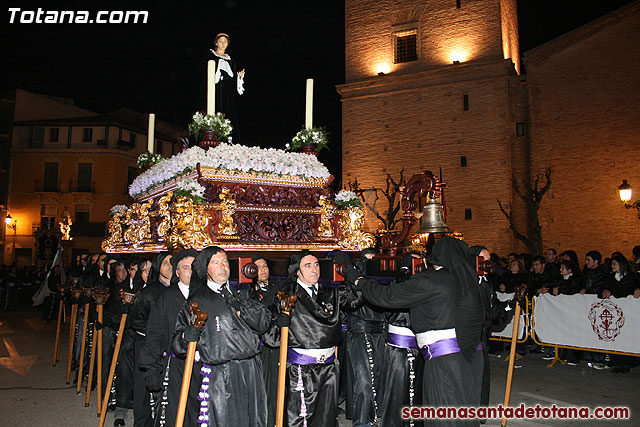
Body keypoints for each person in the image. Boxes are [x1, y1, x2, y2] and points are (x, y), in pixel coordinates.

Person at [351, 237, 485, 427]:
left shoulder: (431, 281)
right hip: (471, 356)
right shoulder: (469, 280)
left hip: (445, 360)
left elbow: (386, 297)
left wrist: (359, 280)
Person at [172, 246, 271, 427]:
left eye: (225, 261)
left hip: (251, 370)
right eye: (215, 263)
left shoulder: (242, 293)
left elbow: (263, 323)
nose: (222, 267)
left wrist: (241, 303)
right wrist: (188, 336)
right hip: (220, 375)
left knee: (254, 420)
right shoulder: (197, 301)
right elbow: (177, 344)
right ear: (206, 269)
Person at [264, 250, 361, 427]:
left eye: (316, 265)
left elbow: (357, 297)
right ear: (297, 272)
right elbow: (270, 335)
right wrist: (280, 322)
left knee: (327, 416)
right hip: (302, 369)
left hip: (329, 366)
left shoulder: (329, 293)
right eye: (307, 266)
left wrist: (351, 269)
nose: (314, 270)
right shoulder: (285, 296)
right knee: (301, 417)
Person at [141, 250, 198, 427]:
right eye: (185, 268)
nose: (191, 272)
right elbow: (155, 333)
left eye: (194, 267)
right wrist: (151, 368)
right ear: (177, 272)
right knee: (176, 416)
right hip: (175, 366)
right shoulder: (166, 297)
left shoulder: (206, 294)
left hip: (204, 367)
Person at [249, 255, 281, 427]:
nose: (262, 270)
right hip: (259, 346)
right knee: (261, 387)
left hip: (277, 343)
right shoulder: (248, 291)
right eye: (258, 267)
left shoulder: (278, 289)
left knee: (277, 384)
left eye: (265, 266)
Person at [209, 33, 245, 142]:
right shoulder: (211, 57)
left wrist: (239, 78)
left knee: (229, 115)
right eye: (221, 41)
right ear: (216, 43)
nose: (223, 43)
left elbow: (233, 80)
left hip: (227, 93)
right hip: (214, 91)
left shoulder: (231, 61)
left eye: (225, 41)